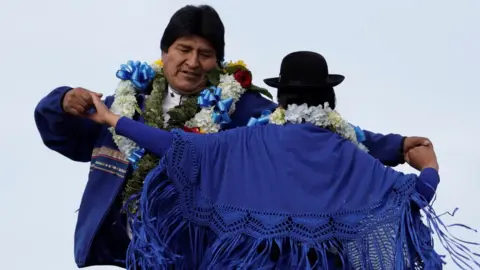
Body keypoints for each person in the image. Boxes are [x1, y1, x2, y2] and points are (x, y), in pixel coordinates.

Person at [34, 6, 429, 269]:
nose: (192, 62)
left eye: (204, 54)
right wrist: (62, 100)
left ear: (219, 61)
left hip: (199, 253)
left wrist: (394, 145)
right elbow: (62, 134)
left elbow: (315, 133)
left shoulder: (245, 110)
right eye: (183, 49)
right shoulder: (120, 106)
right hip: (122, 249)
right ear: (164, 52)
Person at [83, 51, 479, 269]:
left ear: (281, 100)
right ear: (330, 103)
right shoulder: (350, 158)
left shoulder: (241, 143)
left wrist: (112, 118)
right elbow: (414, 198)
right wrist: (430, 165)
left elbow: (170, 145)